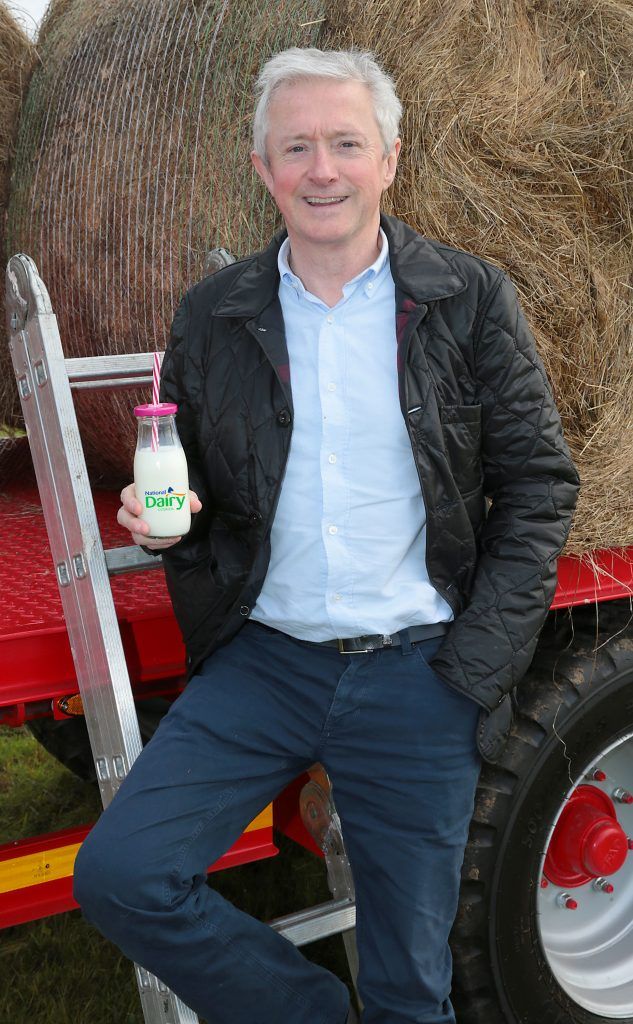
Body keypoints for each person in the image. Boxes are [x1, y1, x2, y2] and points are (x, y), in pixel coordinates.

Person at [73, 47, 579, 1024]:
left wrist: (475, 667)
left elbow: (538, 485)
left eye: (346, 142)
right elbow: (199, 484)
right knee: (123, 875)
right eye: (296, 146)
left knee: (409, 983)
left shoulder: (469, 301)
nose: (322, 168)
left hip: (418, 674)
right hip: (264, 664)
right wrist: (167, 525)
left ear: (389, 157)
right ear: (262, 168)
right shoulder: (213, 316)